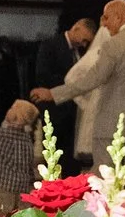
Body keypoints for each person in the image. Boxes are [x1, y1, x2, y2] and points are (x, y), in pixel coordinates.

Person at [41, 0, 125, 188]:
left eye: (106, 18)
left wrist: (55, 94)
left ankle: (86, 215)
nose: (104, 23)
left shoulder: (113, 45)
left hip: (110, 122)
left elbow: (92, 80)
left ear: (118, 16)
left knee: (101, 174)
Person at [29, 15, 94, 157]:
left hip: (73, 110)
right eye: (83, 40)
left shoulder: (82, 52)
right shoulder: (51, 45)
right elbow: (43, 75)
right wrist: (69, 86)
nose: (84, 44)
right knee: (53, 154)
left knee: (69, 155)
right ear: (76, 28)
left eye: (87, 42)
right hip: (54, 108)